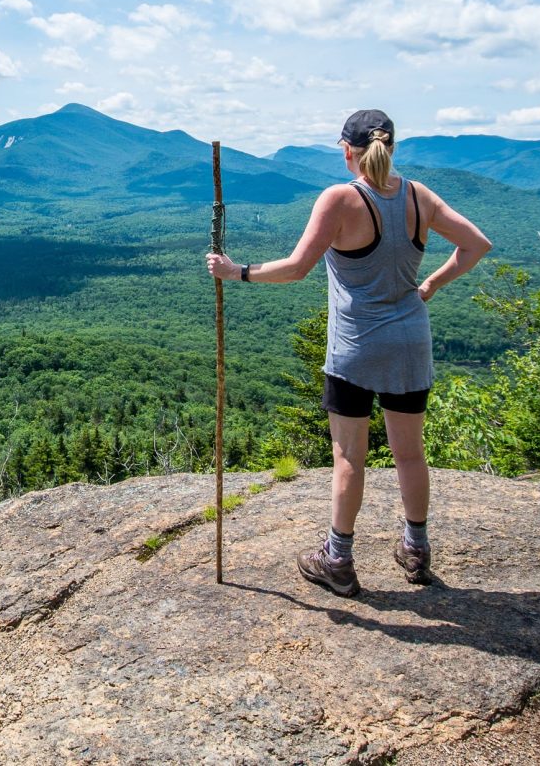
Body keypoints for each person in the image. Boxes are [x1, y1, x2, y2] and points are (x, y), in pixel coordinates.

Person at [206, 109, 492, 597]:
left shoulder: (341, 198)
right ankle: (416, 550)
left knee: (349, 457)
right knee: (410, 453)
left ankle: (338, 560)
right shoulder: (418, 196)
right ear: (392, 148)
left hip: (356, 347)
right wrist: (430, 284)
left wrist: (238, 272)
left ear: (347, 151)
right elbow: (477, 245)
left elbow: (297, 268)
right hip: (409, 342)